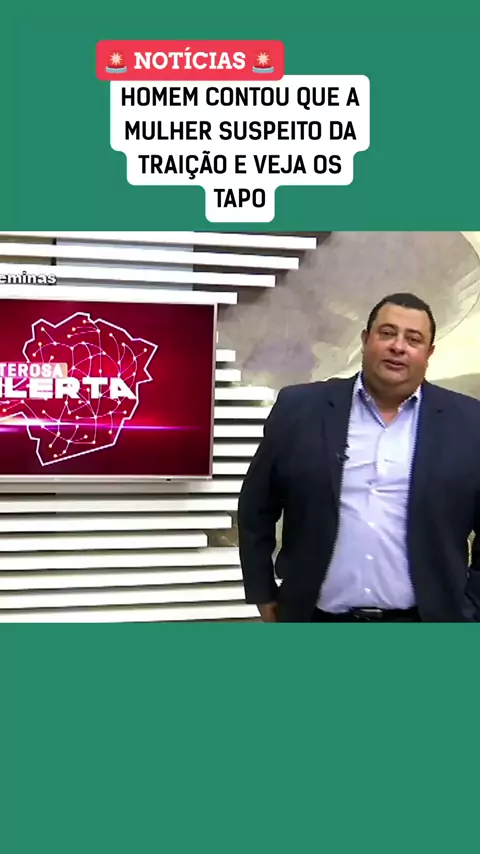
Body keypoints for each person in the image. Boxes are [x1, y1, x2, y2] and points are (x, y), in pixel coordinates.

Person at [237, 293, 480, 622]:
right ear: (366, 339)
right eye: (387, 333)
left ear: (429, 353)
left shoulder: (470, 422)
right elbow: (256, 507)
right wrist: (262, 591)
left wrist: (472, 609)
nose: (398, 346)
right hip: (316, 622)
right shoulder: (299, 409)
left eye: (413, 339)